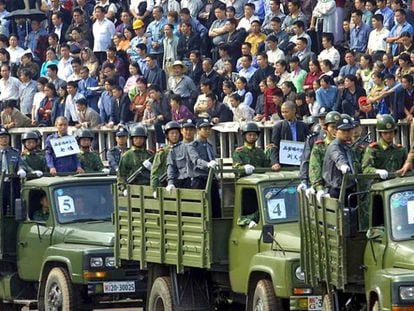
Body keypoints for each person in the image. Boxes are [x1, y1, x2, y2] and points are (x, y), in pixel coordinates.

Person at [186, 118, 221, 218]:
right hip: (199, 180)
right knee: (200, 209)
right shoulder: (192, 146)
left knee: (216, 207)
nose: (207, 131)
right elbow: (196, 160)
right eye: (204, 128)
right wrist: (207, 164)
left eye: (209, 129)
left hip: (211, 179)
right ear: (198, 130)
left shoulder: (209, 145)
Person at [321, 114, 359, 200]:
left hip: (349, 187)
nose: (346, 134)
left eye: (349, 130)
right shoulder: (334, 145)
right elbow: (337, 155)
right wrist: (342, 165)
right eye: (343, 131)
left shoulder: (348, 146)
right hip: (336, 189)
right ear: (336, 131)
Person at [269, 101, 310, 171]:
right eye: (282, 112)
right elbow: (274, 146)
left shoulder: (303, 126)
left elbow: (308, 145)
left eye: (286, 112)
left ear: (294, 111)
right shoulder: (278, 127)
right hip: (285, 164)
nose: (284, 114)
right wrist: (275, 162)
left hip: (301, 162)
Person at [308, 111, 341, 193]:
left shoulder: (348, 146)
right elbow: (315, 169)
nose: (335, 130)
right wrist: (319, 188)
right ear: (326, 128)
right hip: (327, 188)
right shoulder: (320, 147)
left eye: (338, 128)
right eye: (332, 127)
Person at [150, 121, 181, 198]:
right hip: (165, 185)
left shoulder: (183, 149)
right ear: (167, 135)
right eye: (172, 133)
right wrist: (154, 189)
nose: (174, 135)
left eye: (176, 133)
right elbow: (155, 172)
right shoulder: (163, 152)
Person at [118, 126, 154, 191]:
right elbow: (121, 175)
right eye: (136, 138)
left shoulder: (150, 154)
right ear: (132, 139)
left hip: (149, 187)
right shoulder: (127, 155)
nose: (138, 140)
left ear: (144, 139)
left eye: (141, 138)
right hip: (133, 188)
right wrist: (123, 188)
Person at [166, 119, 196, 189]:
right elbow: (171, 167)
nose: (188, 132)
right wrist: (170, 183)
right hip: (182, 182)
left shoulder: (200, 147)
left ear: (195, 131)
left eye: (191, 130)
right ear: (182, 131)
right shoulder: (175, 149)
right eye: (186, 129)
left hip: (198, 181)